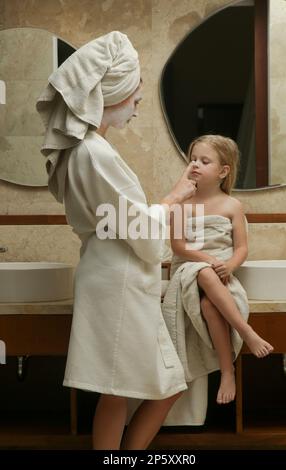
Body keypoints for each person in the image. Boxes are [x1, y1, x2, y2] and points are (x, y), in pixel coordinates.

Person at [36, 31, 199, 450]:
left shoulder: (83, 149)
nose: (137, 109)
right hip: (119, 278)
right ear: (112, 95)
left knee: (116, 389)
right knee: (154, 384)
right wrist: (174, 197)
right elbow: (136, 229)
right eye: (136, 100)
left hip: (108, 272)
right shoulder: (94, 152)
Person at [167, 134, 274, 406]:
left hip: (221, 275)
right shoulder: (182, 204)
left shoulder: (232, 205)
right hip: (188, 270)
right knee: (203, 272)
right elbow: (178, 247)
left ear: (223, 171)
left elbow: (241, 248)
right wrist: (207, 260)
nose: (196, 165)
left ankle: (227, 371)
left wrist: (229, 265)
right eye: (192, 159)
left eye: (204, 160)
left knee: (210, 308)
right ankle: (247, 332)